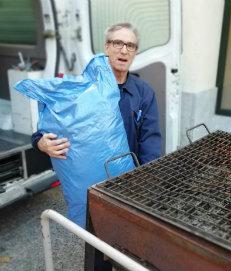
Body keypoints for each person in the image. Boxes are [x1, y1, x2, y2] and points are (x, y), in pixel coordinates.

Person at [31, 23, 162, 270]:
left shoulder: (143, 92)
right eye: (117, 43)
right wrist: (39, 142)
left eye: (130, 45)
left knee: (129, 250)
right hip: (94, 187)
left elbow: (151, 140)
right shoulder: (82, 89)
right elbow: (51, 124)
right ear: (106, 48)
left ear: (135, 52)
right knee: (97, 249)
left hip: (129, 184)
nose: (124, 50)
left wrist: (148, 184)